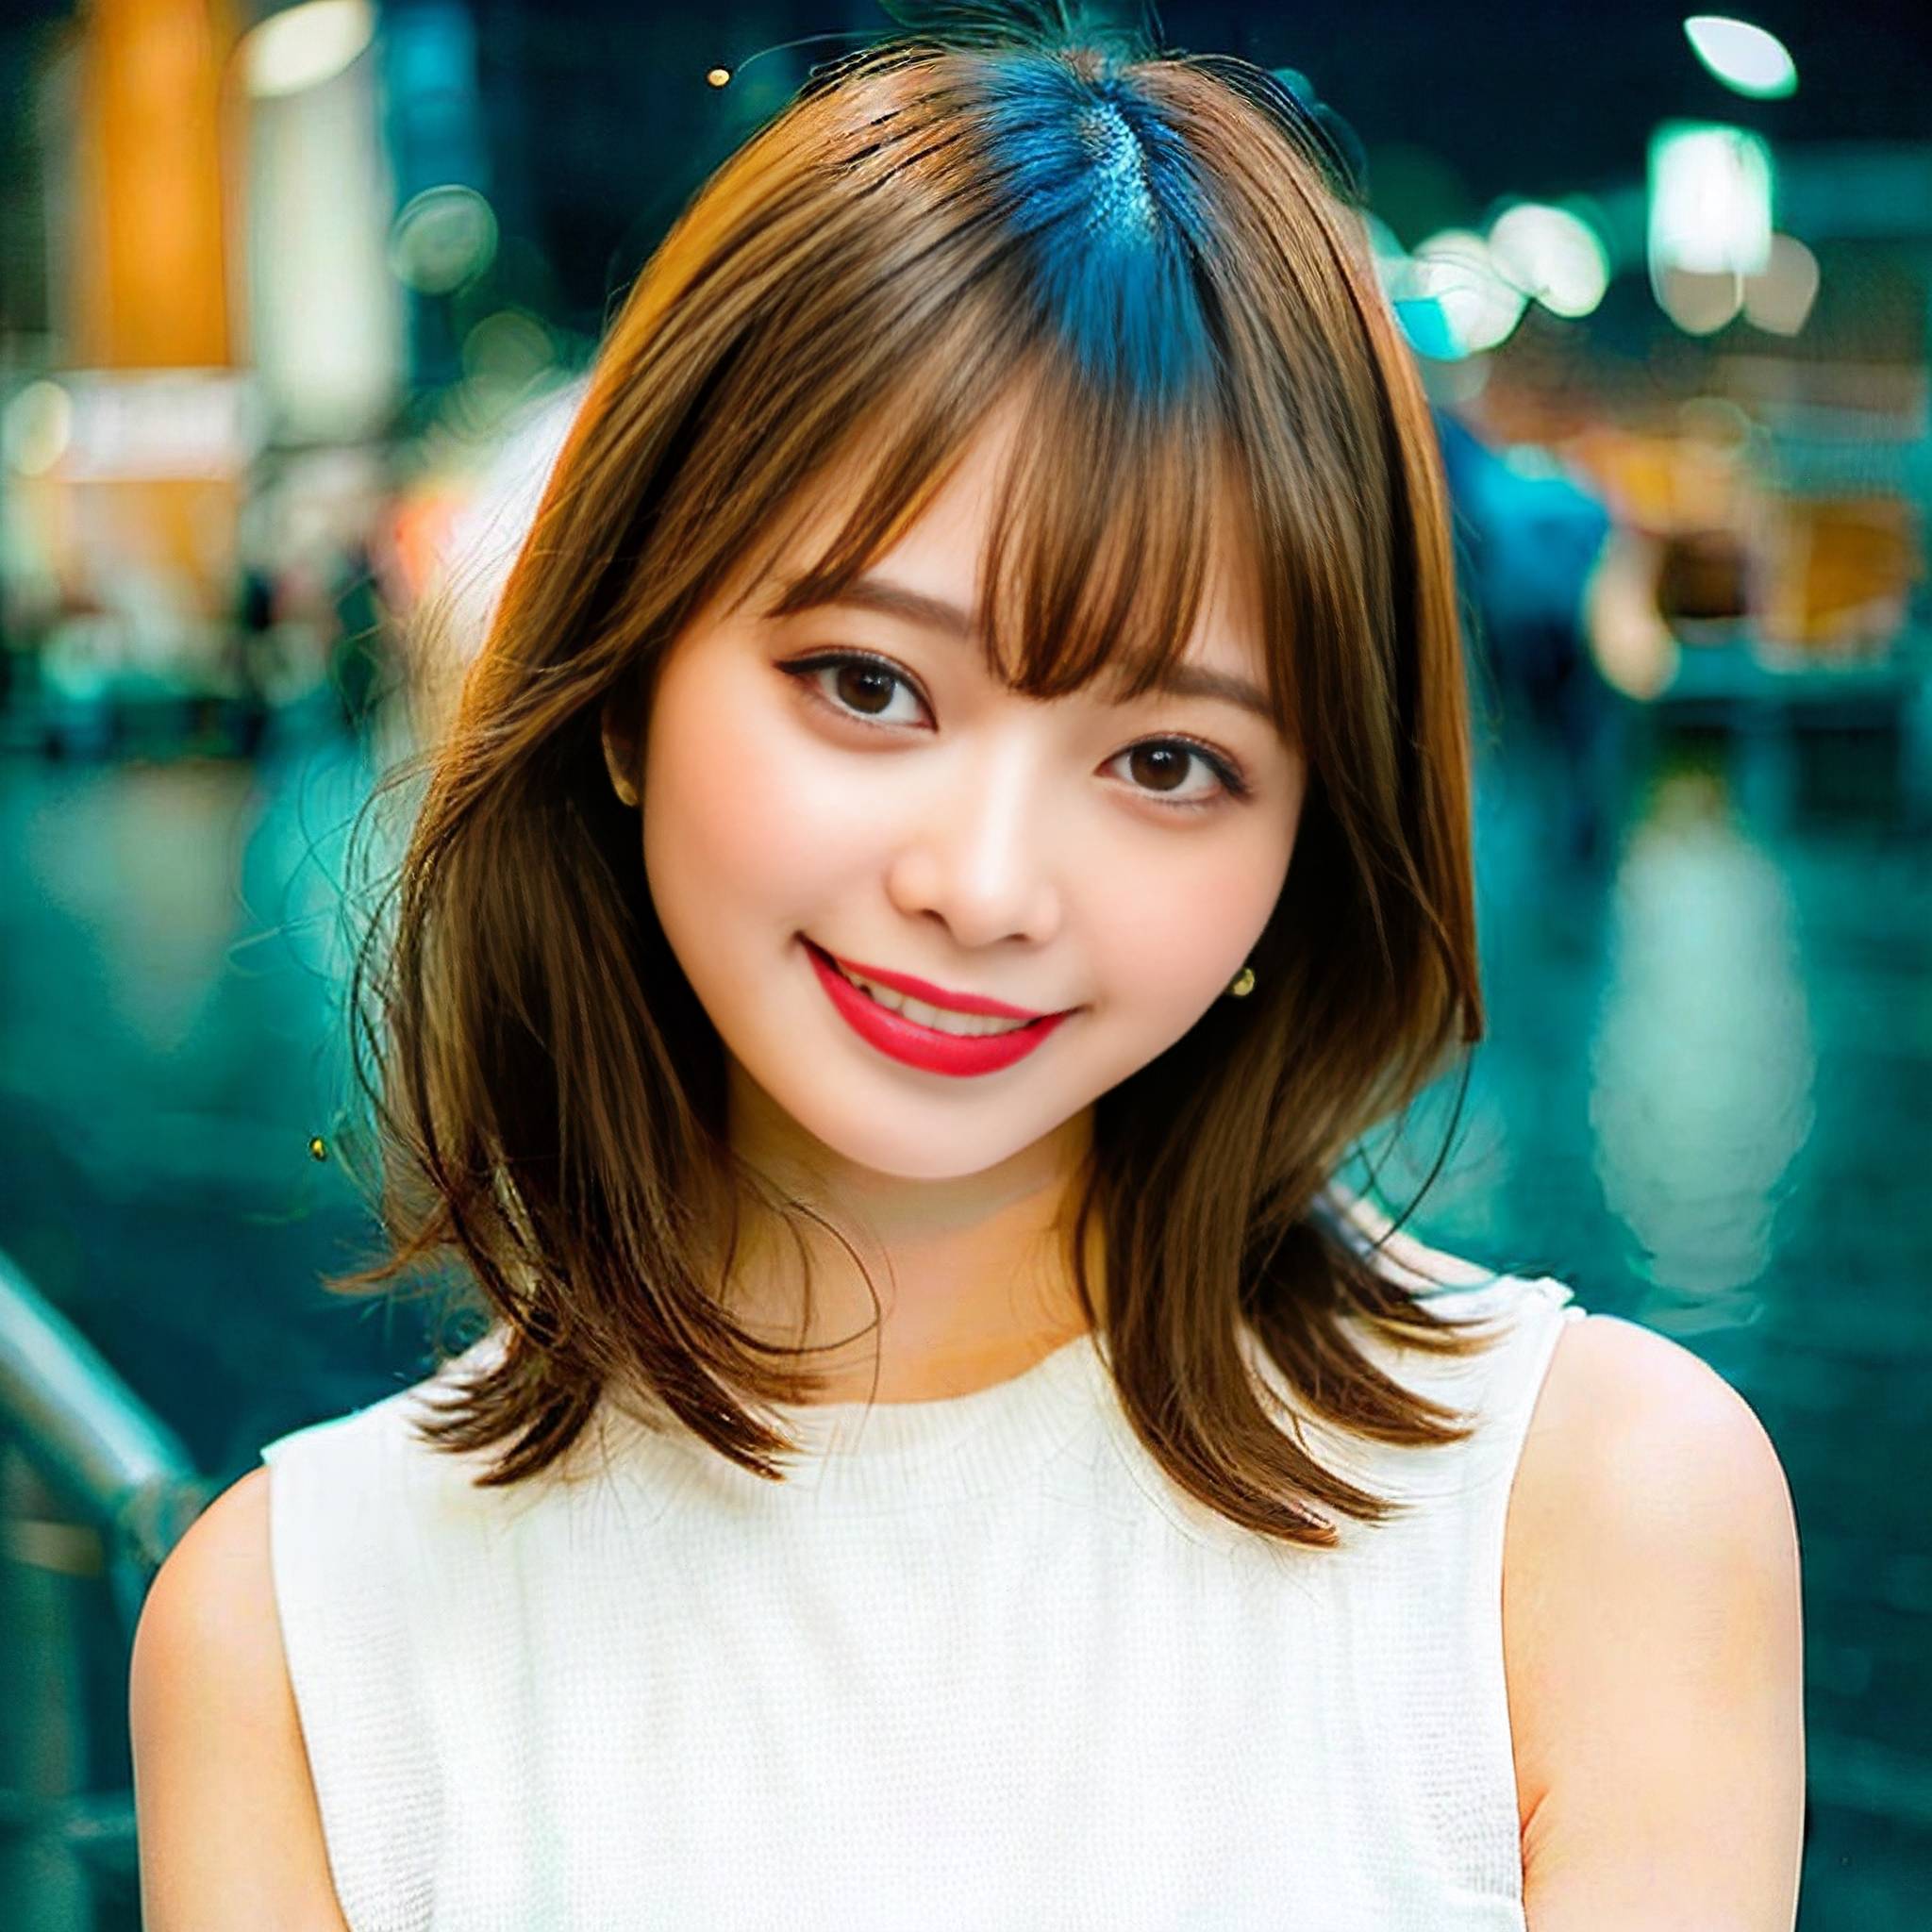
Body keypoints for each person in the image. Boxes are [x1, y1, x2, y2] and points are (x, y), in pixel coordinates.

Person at [127, 13, 1805, 1929]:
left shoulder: (1585, 1527)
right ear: (623, 685)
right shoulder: (298, 1636)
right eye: (868, 684)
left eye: (1166, 759)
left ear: (1299, 842)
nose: (985, 882)